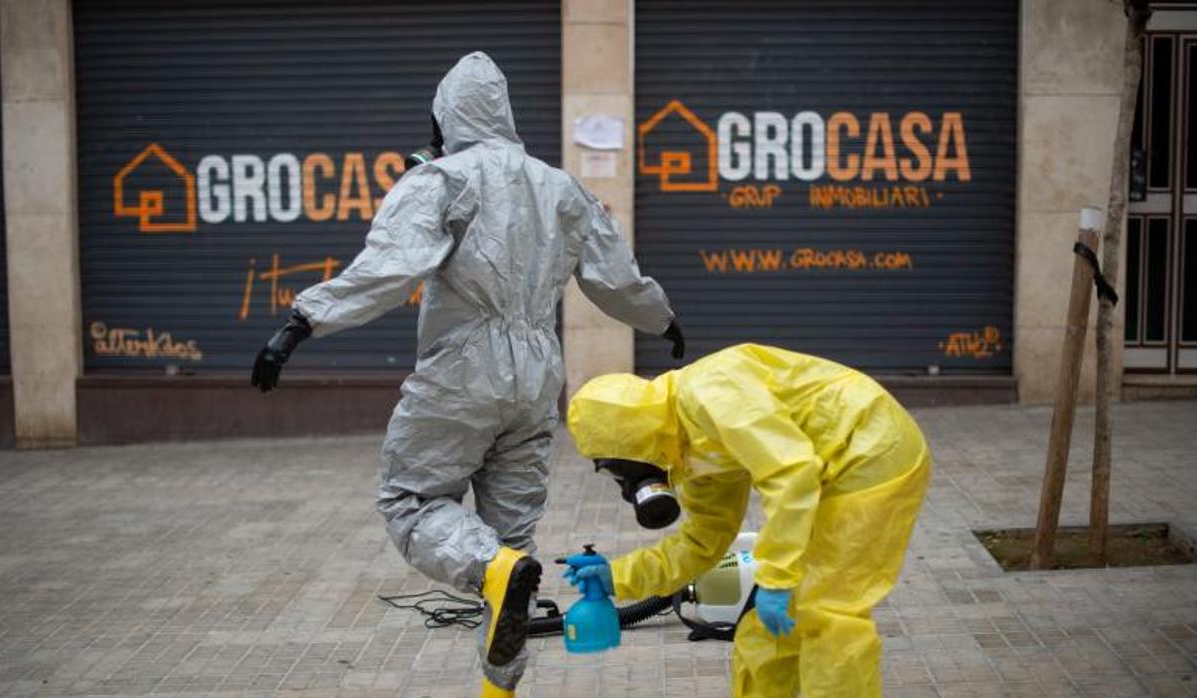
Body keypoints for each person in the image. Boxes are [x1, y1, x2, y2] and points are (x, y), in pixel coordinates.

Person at [250, 52, 681, 697]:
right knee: (509, 543)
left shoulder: (441, 181)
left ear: (445, 117)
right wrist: (661, 319)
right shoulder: (560, 186)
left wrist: (302, 322)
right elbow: (614, 276)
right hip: (538, 373)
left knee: (414, 503)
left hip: (462, 370)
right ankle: (497, 684)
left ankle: (495, 573)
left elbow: (389, 269)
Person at [564, 343, 930, 698]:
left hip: (871, 449)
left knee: (827, 616)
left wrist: (777, 577)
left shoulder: (711, 391)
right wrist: (619, 576)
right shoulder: (688, 456)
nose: (627, 484)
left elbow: (791, 473)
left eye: (617, 468)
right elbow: (702, 543)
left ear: (631, 439)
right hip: (826, 474)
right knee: (765, 632)